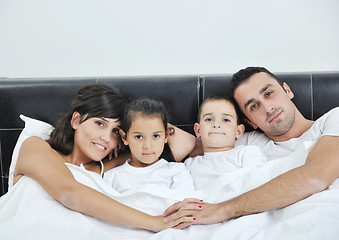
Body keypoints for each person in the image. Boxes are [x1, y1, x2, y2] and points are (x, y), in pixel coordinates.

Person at [162, 66, 339, 227]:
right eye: (254, 106)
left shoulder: (332, 119)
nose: (268, 108)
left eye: (269, 93)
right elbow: (176, 141)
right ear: (249, 122)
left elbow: (317, 176)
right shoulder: (248, 142)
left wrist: (220, 210)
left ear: (287, 90)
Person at [9, 82, 194, 233]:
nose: (106, 138)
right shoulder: (35, 146)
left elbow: (186, 142)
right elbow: (69, 194)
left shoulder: (107, 167)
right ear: (75, 120)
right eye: (99, 123)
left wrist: (137, 122)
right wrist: (154, 222)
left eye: (114, 130)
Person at [104, 98, 195, 196]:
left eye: (156, 136)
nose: (148, 146)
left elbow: (186, 206)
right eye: (138, 137)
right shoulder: (112, 177)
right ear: (124, 137)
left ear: (166, 136)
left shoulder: (176, 171)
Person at [184, 93, 267, 190]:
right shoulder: (189, 164)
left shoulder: (246, 154)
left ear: (238, 131)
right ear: (198, 130)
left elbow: (259, 187)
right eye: (209, 119)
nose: (216, 124)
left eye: (226, 120)